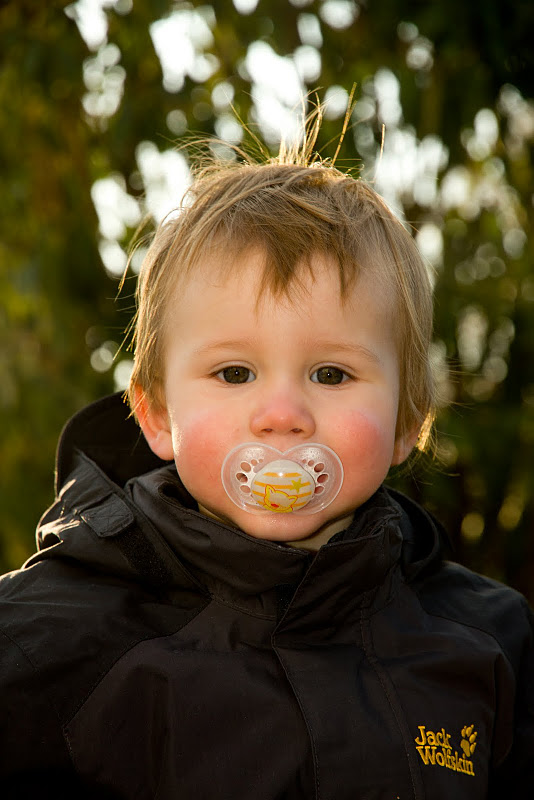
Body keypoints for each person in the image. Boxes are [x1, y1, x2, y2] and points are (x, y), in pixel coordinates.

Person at [0, 137, 532, 800]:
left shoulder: (491, 640)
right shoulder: (43, 640)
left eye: (331, 373)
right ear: (159, 415)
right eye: (235, 373)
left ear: (408, 422)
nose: (281, 414)